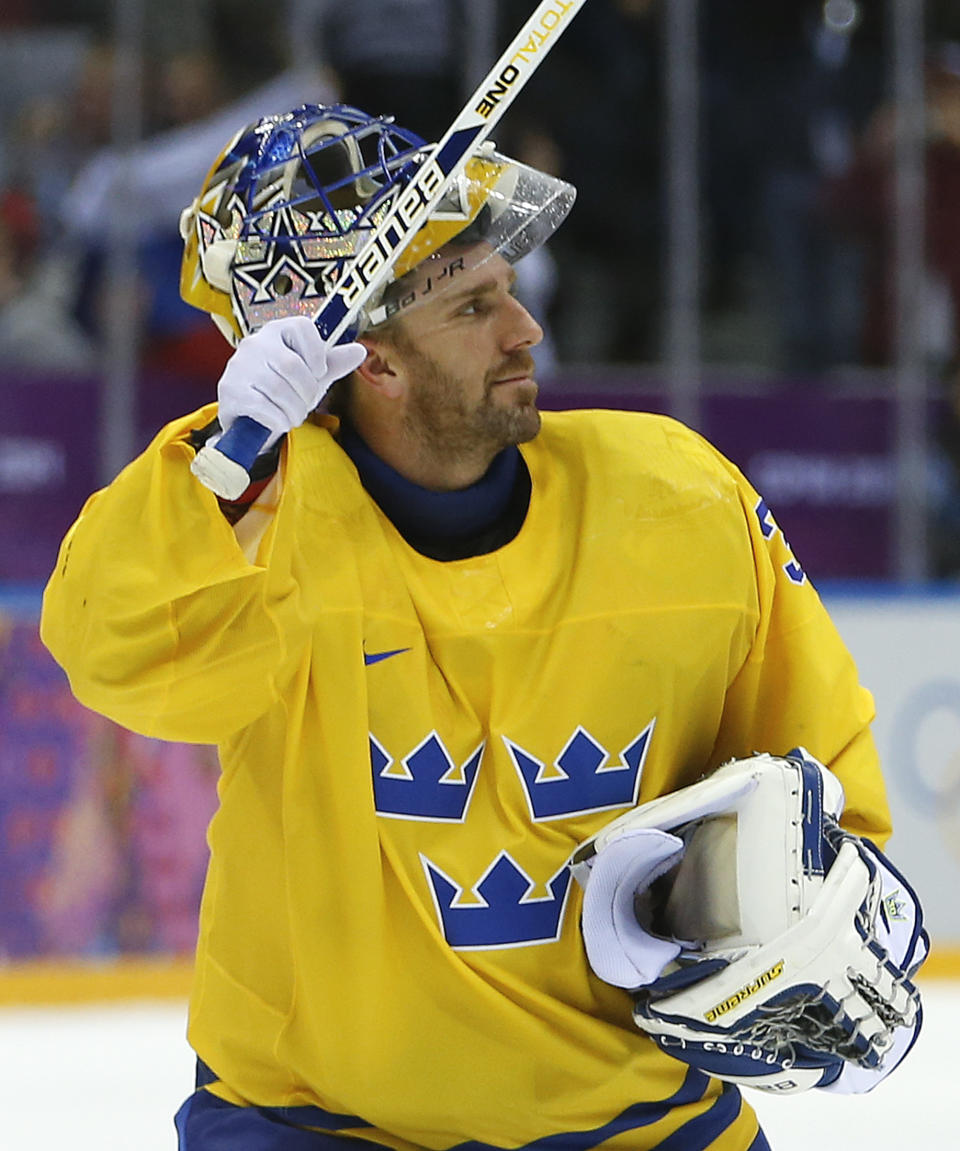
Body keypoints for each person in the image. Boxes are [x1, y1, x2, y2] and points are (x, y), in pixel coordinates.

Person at [41, 102, 914, 1151]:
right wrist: (218, 469)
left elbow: (823, 772)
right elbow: (111, 651)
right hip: (311, 1124)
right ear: (369, 360)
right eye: (470, 306)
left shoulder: (675, 499)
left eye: (506, 289)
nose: (524, 328)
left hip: (640, 1126)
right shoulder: (257, 529)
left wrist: (781, 901)